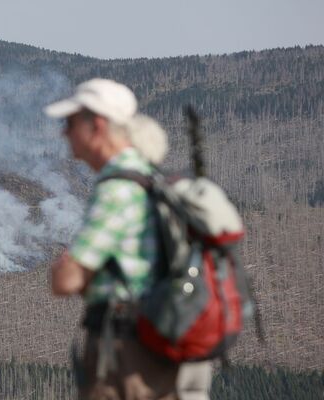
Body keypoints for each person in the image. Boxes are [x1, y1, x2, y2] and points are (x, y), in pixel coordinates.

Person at [45, 78, 204, 400]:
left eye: (70, 122)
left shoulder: (117, 189)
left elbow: (66, 280)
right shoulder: (149, 177)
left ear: (97, 126)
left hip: (124, 352)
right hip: (154, 341)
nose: (64, 133)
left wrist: (65, 268)